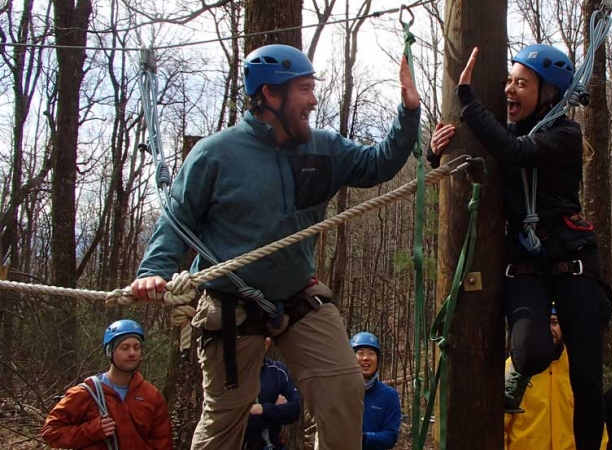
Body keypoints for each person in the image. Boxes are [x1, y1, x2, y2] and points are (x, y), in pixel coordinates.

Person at [130, 43, 420, 450]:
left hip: (298, 297)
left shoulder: (322, 148)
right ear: (270, 94)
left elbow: (378, 164)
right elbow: (177, 221)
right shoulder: (215, 154)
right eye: (304, 89)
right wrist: (152, 273)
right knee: (226, 416)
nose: (313, 100)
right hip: (231, 303)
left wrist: (408, 115)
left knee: (343, 389)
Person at [428, 44, 612, 449]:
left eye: (521, 83)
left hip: (572, 261)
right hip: (528, 262)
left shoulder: (565, 133)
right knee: (530, 352)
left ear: (547, 93)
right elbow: (479, 161)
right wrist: (435, 152)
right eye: (508, 81)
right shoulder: (500, 131)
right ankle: (510, 390)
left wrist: (467, 100)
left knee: (586, 377)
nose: (510, 89)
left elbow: (517, 153)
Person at [41, 320, 174, 449]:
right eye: (125, 347)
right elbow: (51, 432)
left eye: (136, 347)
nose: (132, 353)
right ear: (110, 351)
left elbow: (163, 443)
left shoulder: (151, 395)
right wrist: (93, 429)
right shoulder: (87, 392)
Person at [504, 305, 608, 450]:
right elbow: (498, 423)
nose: (548, 328)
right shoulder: (515, 367)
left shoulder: (579, 368)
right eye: (543, 322)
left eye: (554, 322)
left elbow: (595, 422)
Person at [243, 338, 302, 450]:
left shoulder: (278, 371)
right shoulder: (231, 376)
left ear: (266, 343)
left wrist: (261, 409)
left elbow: (295, 410)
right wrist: (275, 410)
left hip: (273, 446)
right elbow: (237, 422)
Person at [350, 332, 401, 450]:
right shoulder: (339, 392)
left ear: (378, 360)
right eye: (360, 353)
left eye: (371, 353)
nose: (366, 358)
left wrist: (363, 437)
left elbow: (390, 436)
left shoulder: (389, 395)